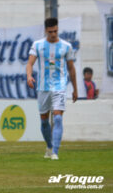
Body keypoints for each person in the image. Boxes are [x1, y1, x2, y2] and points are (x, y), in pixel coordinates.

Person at [26, 17, 77, 160]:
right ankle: (49, 146)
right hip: (43, 87)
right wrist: (29, 76)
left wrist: (75, 89)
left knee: (58, 118)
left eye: (55, 31)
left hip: (60, 86)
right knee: (44, 120)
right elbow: (29, 63)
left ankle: (55, 151)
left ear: (58, 29)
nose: (53, 34)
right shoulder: (37, 45)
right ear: (46, 30)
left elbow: (71, 69)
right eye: (50, 32)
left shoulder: (66, 46)